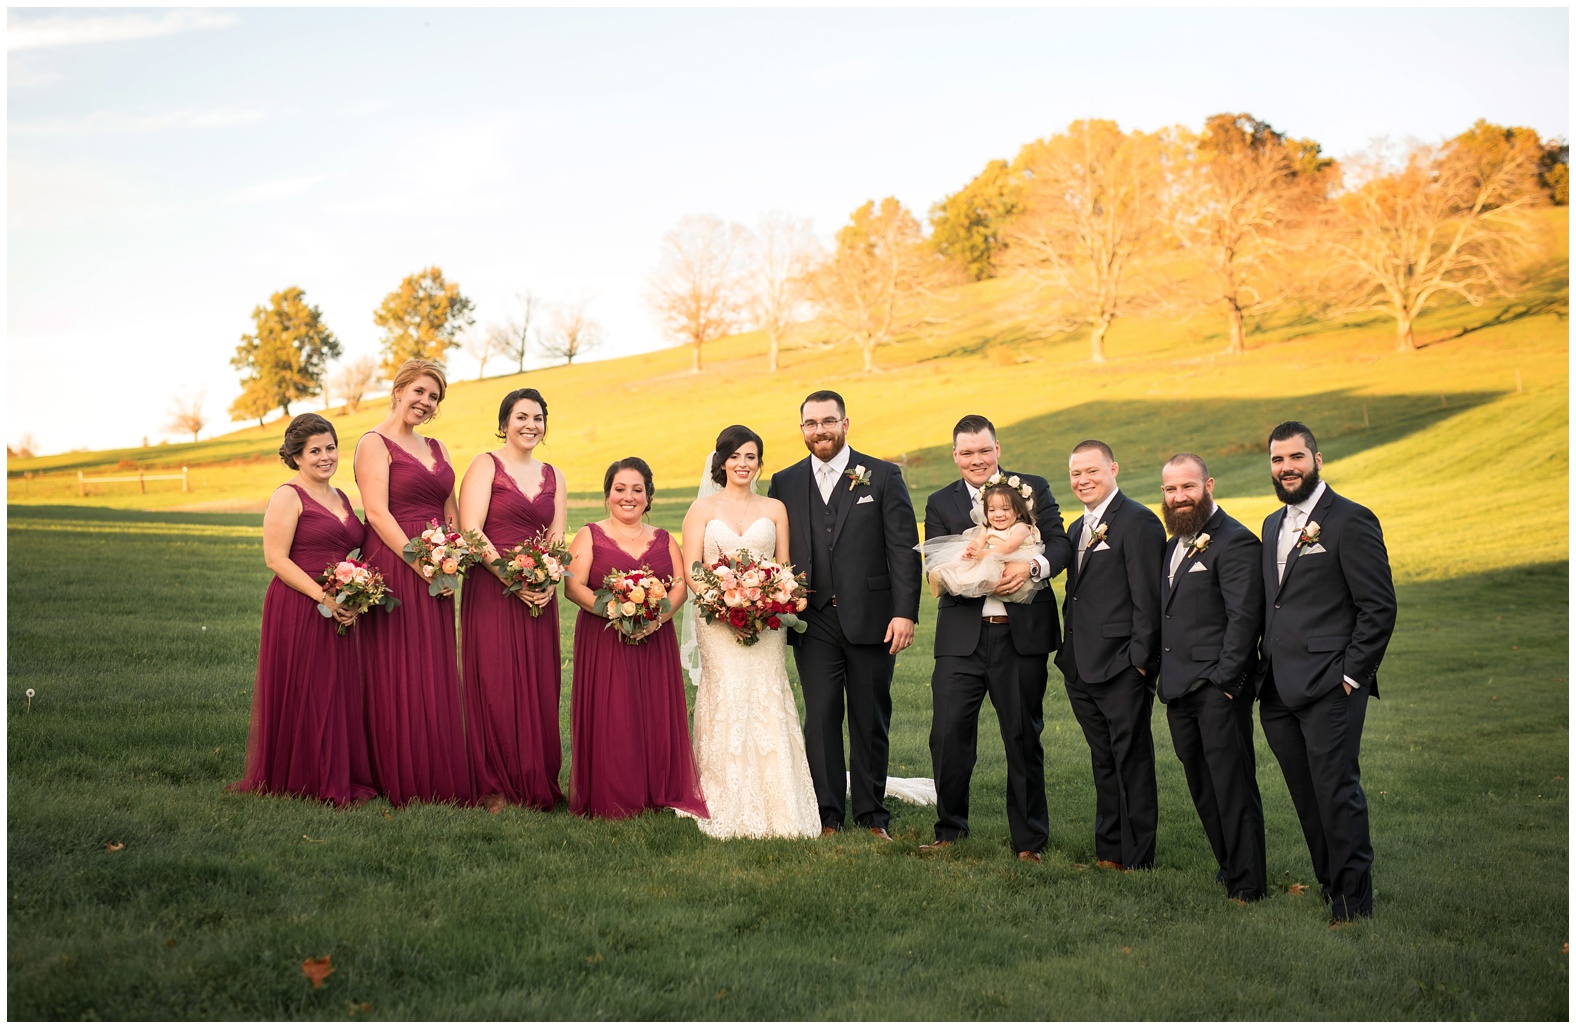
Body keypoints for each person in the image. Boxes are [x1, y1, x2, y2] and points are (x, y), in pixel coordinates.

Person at [1257, 421, 1396, 925]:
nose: (1286, 467)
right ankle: (1328, 882)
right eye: (1277, 459)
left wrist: (1351, 677)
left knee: (1336, 791)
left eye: (1295, 457)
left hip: (1330, 686)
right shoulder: (1272, 525)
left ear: (1318, 460)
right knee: (1305, 793)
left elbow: (1378, 607)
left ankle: (1353, 902)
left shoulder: (1351, 520)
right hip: (1277, 688)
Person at [767, 390, 922, 839]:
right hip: (812, 619)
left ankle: (872, 815)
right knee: (821, 716)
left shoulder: (884, 475)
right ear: (802, 429)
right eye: (811, 424)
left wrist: (905, 613)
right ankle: (827, 812)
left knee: (870, 718)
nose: (820, 431)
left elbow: (903, 549)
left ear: (845, 424)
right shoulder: (785, 481)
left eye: (828, 421)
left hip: (873, 617)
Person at [921, 414, 1071, 861]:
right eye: (966, 453)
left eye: (984, 450)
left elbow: (1059, 544)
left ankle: (1029, 840)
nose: (976, 460)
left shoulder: (1033, 488)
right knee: (947, 736)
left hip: (1019, 638)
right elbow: (935, 564)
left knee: (1023, 736)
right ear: (955, 456)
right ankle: (950, 830)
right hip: (960, 640)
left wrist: (1032, 566)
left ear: (998, 449)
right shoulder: (939, 501)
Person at [677, 425, 820, 839]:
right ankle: (721, 796)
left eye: (751, 457)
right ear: (721, 461)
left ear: (759, 462)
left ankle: (782, 802)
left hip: (767, 623)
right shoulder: (701, 510)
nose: (743, 464)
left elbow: (784, 566)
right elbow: (692, 570)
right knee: (726, 696)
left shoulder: (774, 508)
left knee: (767, 694)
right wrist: (725, 608)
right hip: (717, 623)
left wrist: (766, 605)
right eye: (735, 456)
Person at [230, 414, 377, 807]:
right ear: (296, 457)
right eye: (315, 451)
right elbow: (276, 559)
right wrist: (324, 597)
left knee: (337, 688)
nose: (326, 457)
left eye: (330, 447)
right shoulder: (288, 496)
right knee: (309, 688)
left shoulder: (341, 497)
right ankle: (305, 777)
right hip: (299, 602)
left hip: (338, 603)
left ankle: (335, 769)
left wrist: (354, 593)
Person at [353, 358, 471, 807]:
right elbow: (377, 512)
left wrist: (451, 559)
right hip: (393, 558)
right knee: (396, 667)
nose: (424, 402)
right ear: (399, 389)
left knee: (433, 663)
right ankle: (395, 770)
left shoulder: (437, 448)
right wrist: (419, 561)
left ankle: (436, 768)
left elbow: (451, 510)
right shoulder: (373, 443)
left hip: (436, 563)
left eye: (433, 397)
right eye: (419, 391)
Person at [563, 457, 708, 820]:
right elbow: (572, 587)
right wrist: (613, 611)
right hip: (604, 640)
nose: (628, 497)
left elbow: (679, 589)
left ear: (648, 497)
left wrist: (657, 619)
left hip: (653, 639)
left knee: (652, 711)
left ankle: (656, 789)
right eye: (620, 489)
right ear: (608, 495)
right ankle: (612, 791)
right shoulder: (589, 534)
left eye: (637, 490)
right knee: (613, 713)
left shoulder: (663, 539)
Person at [1157, 453, 1266, 901]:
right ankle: (1228, 867)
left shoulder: (1235, 541)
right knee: (1202, 784)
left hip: (1217, 689)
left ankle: (1250, 883)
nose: (1179, 497)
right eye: (1170, 490)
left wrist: (1225, 683)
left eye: (1188, 487)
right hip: (1178, 688)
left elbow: (1245, 619)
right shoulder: (1174, 543)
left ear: (1209, 485)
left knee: (1232, 784)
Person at [1055, 439, 1165, 871]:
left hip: (1122, 665)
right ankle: (1109, 851)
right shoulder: (1077, 528)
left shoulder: (1137, 522)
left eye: (1092, 471)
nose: (1083, 480)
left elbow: (1148, 598)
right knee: (1103, 760)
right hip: (1080, 665)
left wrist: (1139, 662)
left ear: (1113, 469)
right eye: (1076, 474)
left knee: (1132, 760)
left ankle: (1137, 858)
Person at [457, 388, 567, 814]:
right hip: (493, 588)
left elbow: (557, 536)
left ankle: (535, 780)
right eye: (521, 417)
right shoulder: (486, 465)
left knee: (539, 685)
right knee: (496, 683)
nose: (530, 425)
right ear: (504, 423)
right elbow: (471, 529)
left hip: (539, 593)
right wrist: (510, 577)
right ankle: (494, 785)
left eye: (538, 418)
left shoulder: (554, 474)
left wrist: (548, 579)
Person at [921, 482, 1046, 602]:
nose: (998, 514)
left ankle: (957, 582)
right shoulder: (987, 527)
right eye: (992, 510)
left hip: (1011, 563)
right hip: (993, 556)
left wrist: (985, 554)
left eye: (1005, 509)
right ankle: (943, 577)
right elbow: (979, 540)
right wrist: (972, 549)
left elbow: (1009, 547)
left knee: (984, 569)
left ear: (1019, 511)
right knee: (965, 561)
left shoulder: (1021, 528)